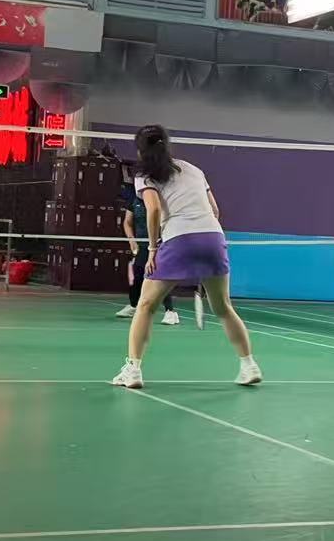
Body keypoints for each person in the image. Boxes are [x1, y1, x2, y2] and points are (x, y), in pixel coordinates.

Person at [111, 125, 262, 389]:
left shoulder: (144, 175)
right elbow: (215, 210)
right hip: (213, 238)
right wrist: (202, 248)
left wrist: (154, 249)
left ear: (140, 150)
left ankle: (133, 370)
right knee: (223, 307)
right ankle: (249, 365)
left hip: (178, 238)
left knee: (145, 306)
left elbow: (154, 210)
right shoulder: (193, 169)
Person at [118, 176, 179, 326]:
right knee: (136, 276)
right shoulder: (134, 201)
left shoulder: (161, 201)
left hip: (160, 244)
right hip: (141, 246)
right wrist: (131, 240)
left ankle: (171, 312)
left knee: (159, 277)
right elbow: (127, 222)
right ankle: (133, 306)